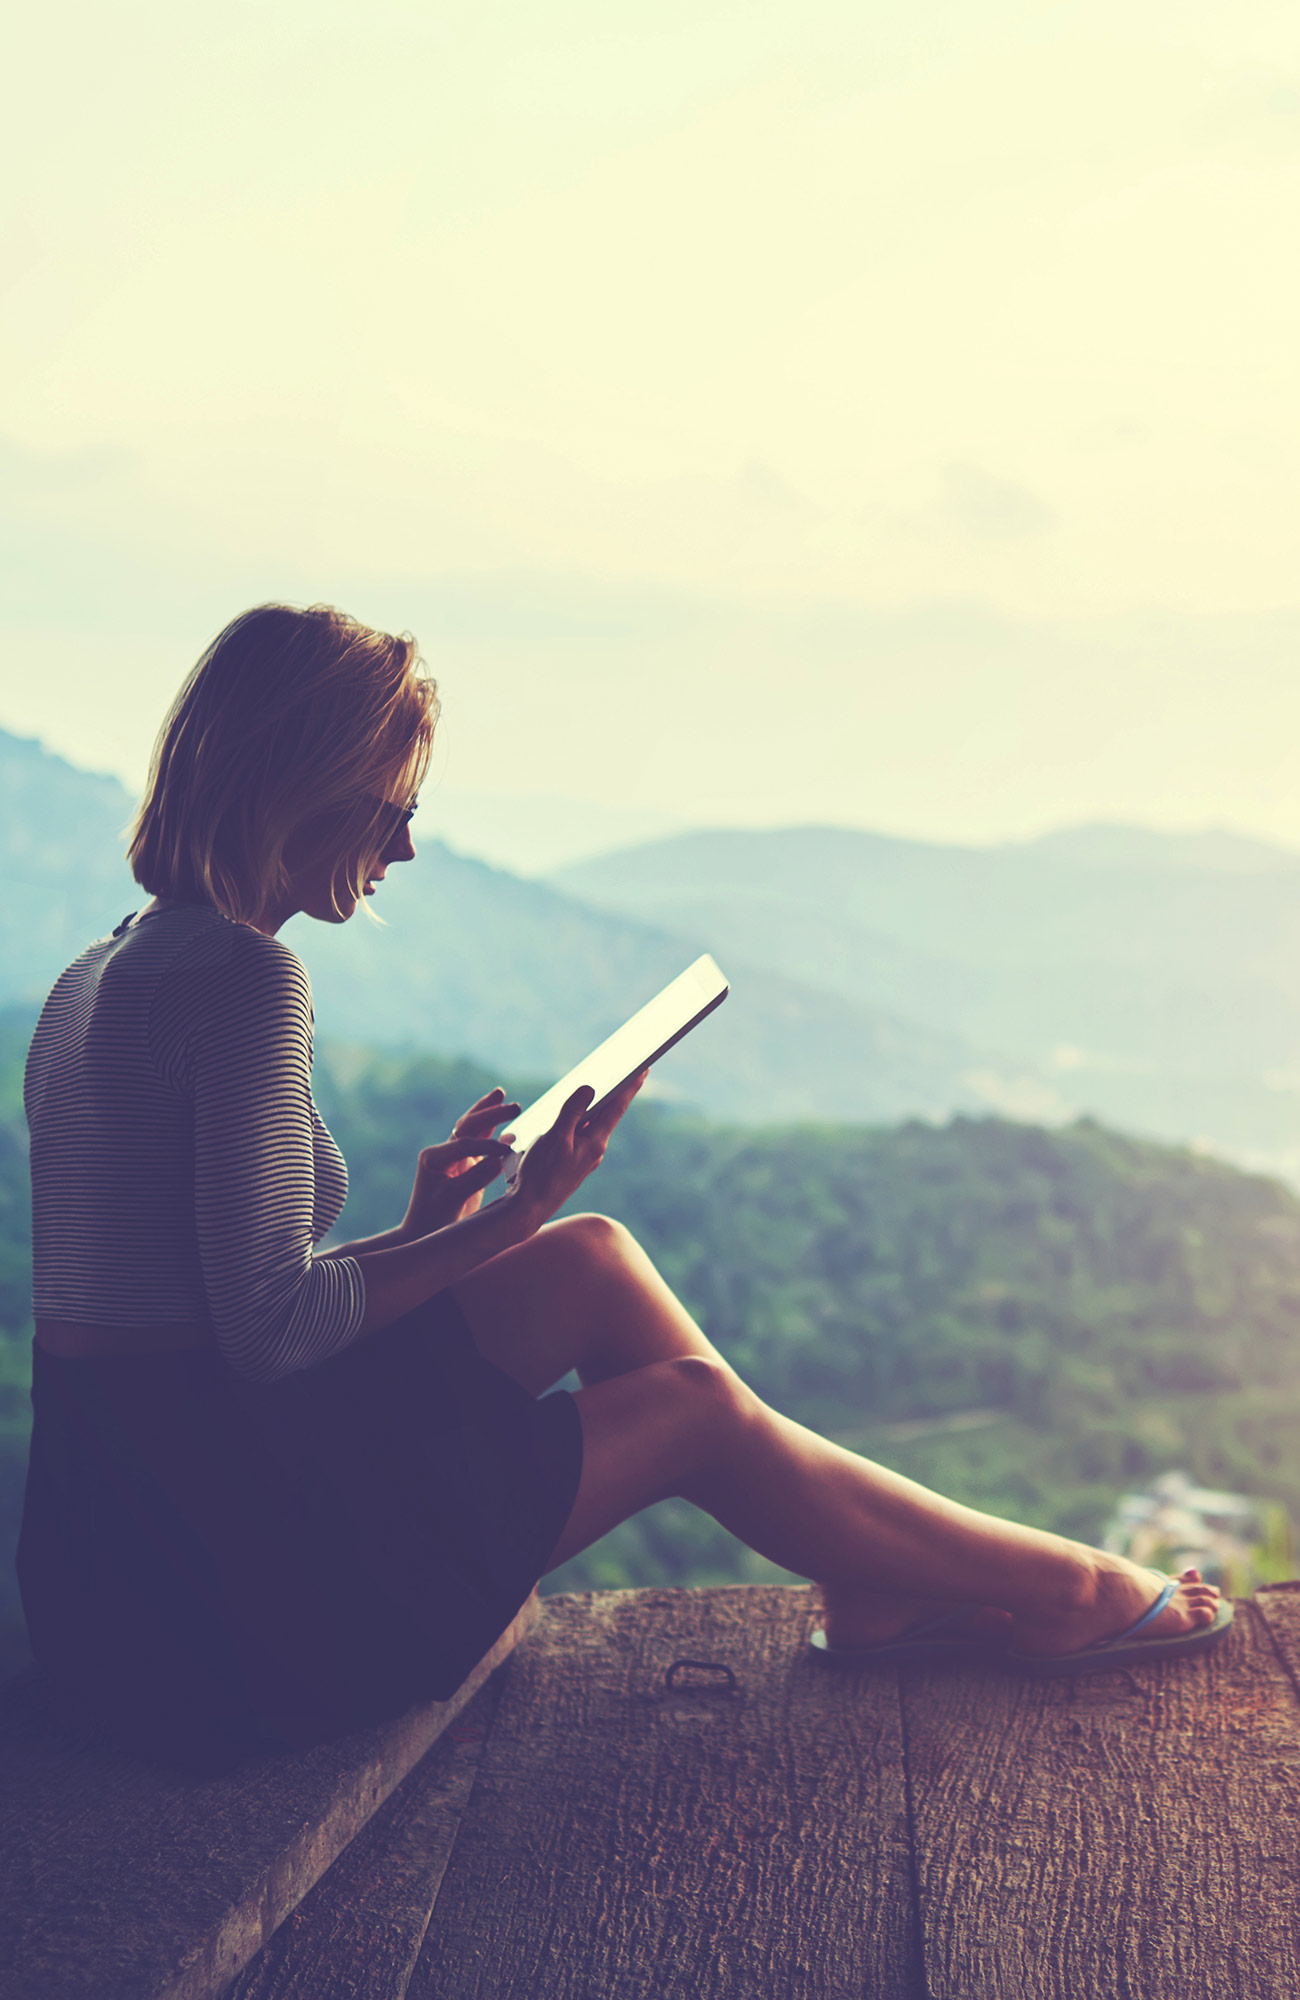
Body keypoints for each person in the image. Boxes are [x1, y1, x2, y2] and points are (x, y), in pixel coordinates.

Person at [18, 603, 1231, 1771]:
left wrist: (434, 1229)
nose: (404, 847)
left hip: (119, 1560)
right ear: (305, 786)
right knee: (690, 1402)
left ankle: (875, 1579)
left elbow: (203, 1307)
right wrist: (506, 1218)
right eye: (392, 808)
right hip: (217, 1603)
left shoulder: (101, 970)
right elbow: (269, 1330)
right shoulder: (245, 980)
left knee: (589, 1255)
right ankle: (1058, 1585)